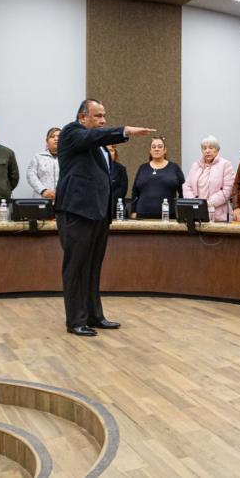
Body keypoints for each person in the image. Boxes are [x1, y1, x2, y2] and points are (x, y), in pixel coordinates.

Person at [55, 98, 153, 337]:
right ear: (82, 118)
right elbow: (93, 137)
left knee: (93, 267)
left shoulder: (97, 144)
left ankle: (94, 315)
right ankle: (75, 320)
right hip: (76, 211)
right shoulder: (71, 132)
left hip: (98, 213)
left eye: (104, 116)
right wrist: (124, 130)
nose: (103, 120)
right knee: (76, 267)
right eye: (98, 116)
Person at [182, 135, 235, 222]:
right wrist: (195, 203)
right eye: (204, 148)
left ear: (217, 150)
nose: (207, 151)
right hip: (197, 213)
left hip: (219, 217)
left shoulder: (225, 165)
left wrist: (207, 204)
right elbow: (187, 186)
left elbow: (227, 190)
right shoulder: (195, 165)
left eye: (211, 148)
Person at [130, 136, 185, 219]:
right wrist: (133, 211)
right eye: (153, 147)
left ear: (165, 150)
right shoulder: (142, 168)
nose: (156, 149)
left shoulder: (174, 167)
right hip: (142, 214)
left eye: (160, 147)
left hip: (168, 215)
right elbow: (135, 191)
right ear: (150, 150)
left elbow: (183, 191)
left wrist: (182, 212)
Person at [26, 127, 60, 199]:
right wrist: (43, 191)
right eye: (52, 136)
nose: (56, 139)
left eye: (59, 136)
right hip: (42, 199)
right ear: (47, 141)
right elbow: (30, 175)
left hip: (63, 201)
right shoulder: (38, 157)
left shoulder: (68, 158)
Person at [106, 144, 128, 218]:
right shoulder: (96, 168)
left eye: (111, 150)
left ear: (115, 153)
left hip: (117, 207)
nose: (109, 153)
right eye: (106, 150)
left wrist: (108, 198)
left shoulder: (121, 169)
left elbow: (123, 189)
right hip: (100, 208)